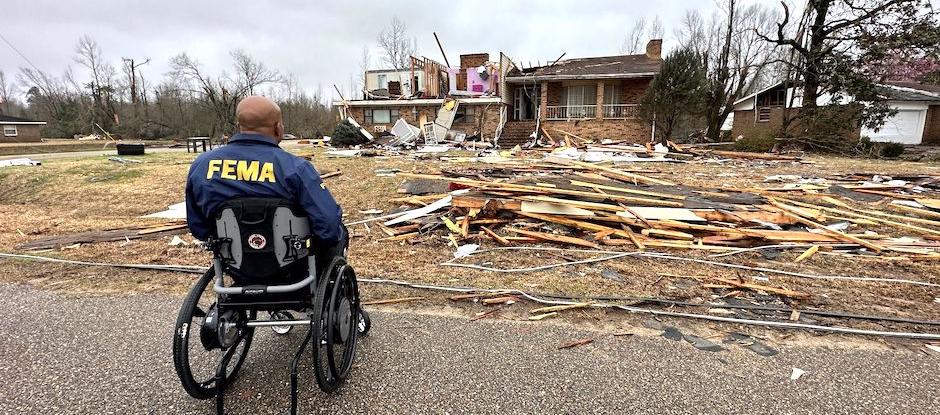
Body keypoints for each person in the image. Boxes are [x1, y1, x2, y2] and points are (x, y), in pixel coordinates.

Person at [185, 96, 346, 272]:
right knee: (339, 231)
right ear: (278, 128)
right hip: (294, 266)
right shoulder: (296, 168)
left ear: (239, 127)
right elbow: (328, 226)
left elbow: (199, 228)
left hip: (237, 266)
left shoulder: (202, 165)